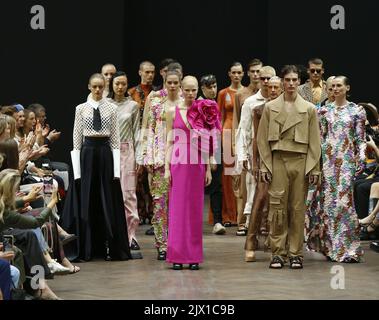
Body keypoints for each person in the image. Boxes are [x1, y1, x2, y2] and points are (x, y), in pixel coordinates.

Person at [62, 73, 132, 261]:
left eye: (101, 86)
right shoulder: (80, 109)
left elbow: (116, 140)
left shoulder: (111, 108)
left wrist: (116, 170)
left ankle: (110, 246)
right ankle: (87, 247)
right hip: (87, 154)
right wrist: (77, 172)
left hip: (105, 154)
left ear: (105, 86)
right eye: (94, 86)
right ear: (88, 86)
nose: (98, 90)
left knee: (107, 198)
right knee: (88, 198)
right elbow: (76, 139)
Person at [257, 65, 321, 269]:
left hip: (301, 161)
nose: (291, 83)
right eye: (288, 80)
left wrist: (315, 168)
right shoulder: (270, 107)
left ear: (300, 82)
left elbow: (314, 141)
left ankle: (295, 253)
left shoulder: (309, 109)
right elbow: (262, 140)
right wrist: (265, 166)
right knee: (277, 209)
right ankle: (278, 253)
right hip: (278, 161)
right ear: (282, 82)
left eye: (295, 80)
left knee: (297, 208)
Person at [311, 76, 365, 263]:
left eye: (339, 85)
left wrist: (362, 157)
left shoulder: (356, 111)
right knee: (329, 204)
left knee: (344, 202)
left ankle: (349, 248)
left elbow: (360, 138)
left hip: (347, 160)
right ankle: (332, 247)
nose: (335, 88)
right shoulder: (323, 111)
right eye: (332, 86)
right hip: (328, 160)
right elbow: (320, 138)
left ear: (347, 87)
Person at [165, 76, 217, 270]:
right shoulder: (172, 111)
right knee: (177, 210)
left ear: (198, 90)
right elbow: (168, 141)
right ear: (181, 88)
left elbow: (207, 140)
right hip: (178, 162)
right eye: (186, 89)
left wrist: (208, 166)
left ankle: (194, 256)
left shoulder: (203, 110)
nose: (190, 93)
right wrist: (166, 169)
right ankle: (176, 256)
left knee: (195, 210)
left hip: (197, 162)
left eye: (193, 90)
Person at [139, 70, 183, 260]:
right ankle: (162, 244)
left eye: (175, 82)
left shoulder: (186, 100)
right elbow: (148, 127)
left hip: (180, 157)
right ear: (164, 81)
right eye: (169, 82)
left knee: (178, 203)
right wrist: (145, 155)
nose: (172, 85)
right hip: (158, 156)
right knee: (159, 202)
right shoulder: (155, 99)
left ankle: (176, 243)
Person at [244, 76, 282, 262]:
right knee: (260, 198)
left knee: (280, 201)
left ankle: (274, 240)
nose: (273, 90)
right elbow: (256, 140)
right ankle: (251, 242)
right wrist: (256, 163)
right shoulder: (258, 110)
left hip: (283, 159)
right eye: (270, 87)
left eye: (276, 87)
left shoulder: (286, 109)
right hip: (266, 159)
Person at [235, 66, 276, 236]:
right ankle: (250, 227)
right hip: (255, 153)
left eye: (269, 79)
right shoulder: (251, 102)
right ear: (258, 79)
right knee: (253, 191)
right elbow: (242, 130)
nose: (266, 82)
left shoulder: (280, 103)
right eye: (263, 78)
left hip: (275, 154)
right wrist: (242, 155)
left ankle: (269, 227)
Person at [108, 71, 141, 251]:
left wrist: (138, 156)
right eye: (117, 84)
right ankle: (112, 236)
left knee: (128, 194)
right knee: (111, 194)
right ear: (111, 85)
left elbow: (137, 132)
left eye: (123, 84)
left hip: (127, 150)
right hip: (109, 151)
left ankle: (131, 235)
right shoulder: (106, 105)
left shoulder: (133, 106)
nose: (120, 87)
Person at [232, 59, 262, 235]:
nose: (256, 75)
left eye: (259, 71)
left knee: (257, 183)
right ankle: (242, 221)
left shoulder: (269, 93)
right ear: (248, 73)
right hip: (244, 141)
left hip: (260, 143)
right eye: (253, 71)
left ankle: (257, 220)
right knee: (242, 183)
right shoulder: (241, 94)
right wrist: (235, 147)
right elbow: (237, 121)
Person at [128, 61, 156, 229]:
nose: (150, 75)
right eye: (147, 72)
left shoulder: (158, 93)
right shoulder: (132, 93)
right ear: (140, 72)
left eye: (152, 72)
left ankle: (153, 213)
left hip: (153, 137)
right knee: (137, 177)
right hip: (136, 137)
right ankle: (139, 212)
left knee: (151, 176)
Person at [218, 62, 244, 227]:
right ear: (229, 74)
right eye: (233, 72)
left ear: (243, 74)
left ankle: (241, 214)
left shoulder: (246, 92)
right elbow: (219, 116)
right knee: (228, 175)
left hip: (241, 134)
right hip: (227, 135)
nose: (236, 75)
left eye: (239, 72)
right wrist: (219, 138)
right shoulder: (223, 93)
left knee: (241, 174)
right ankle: (228, 215)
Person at [199, 74, 225, 235]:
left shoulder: (214, 104)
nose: (213, 90)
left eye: (215, 86)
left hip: (215, 147)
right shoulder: (198, 105)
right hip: (201, 149)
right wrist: (210, 155)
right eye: (209, 87)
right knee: (199, 186)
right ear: (202, 89)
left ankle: (218, 221)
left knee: (216, 186)